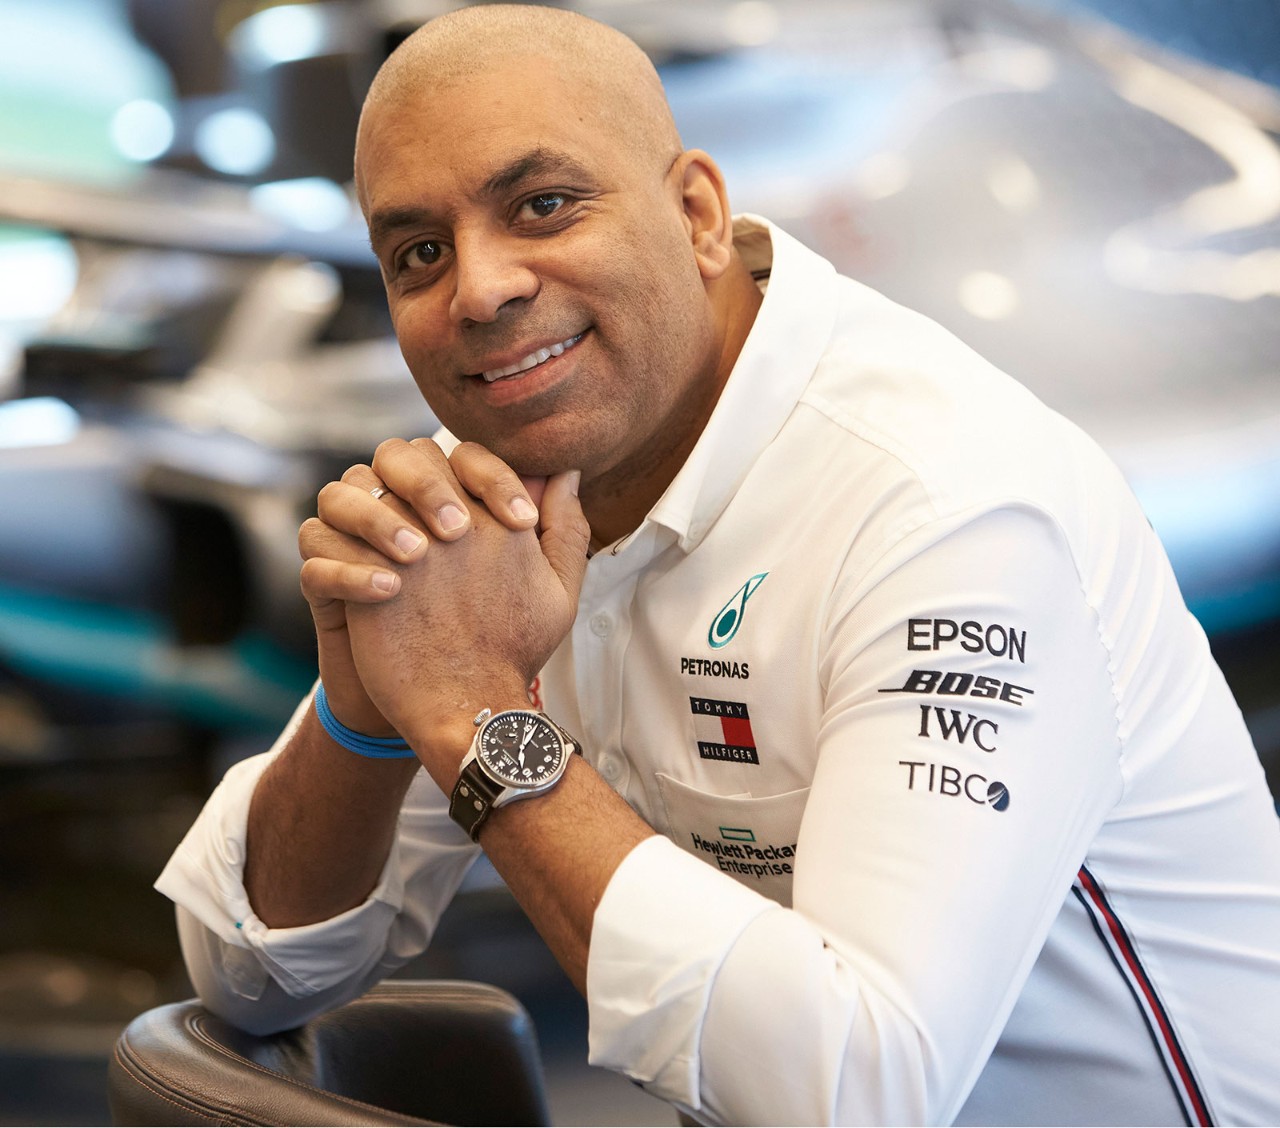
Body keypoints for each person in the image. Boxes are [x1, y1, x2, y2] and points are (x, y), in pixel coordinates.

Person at [156, 5, 1280, 1124]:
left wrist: (474, 719)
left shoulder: (946, 508)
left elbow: (854, 1094)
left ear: (696, 213)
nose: (480, 289)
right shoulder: (503, 502)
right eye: (419, 254)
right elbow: (251, 978)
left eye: (542, 206)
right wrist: (365, 712)